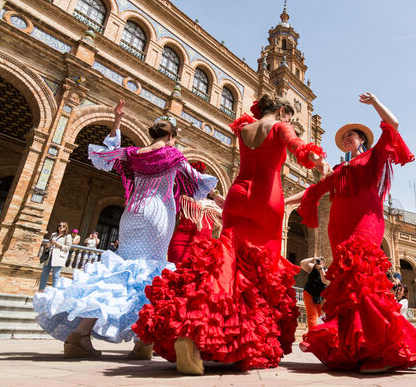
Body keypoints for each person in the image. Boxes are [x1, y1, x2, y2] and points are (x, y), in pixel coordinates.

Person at [132, 94, 330, 375]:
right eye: (289, 117)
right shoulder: (280, 127)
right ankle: (244, 340)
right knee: (262, 270)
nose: (290, 122)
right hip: (266, 199)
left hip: (238, 194)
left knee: (225, 261)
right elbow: (299, 146)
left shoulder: (244, 128)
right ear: (283, 111)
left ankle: (191, 331)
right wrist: (316, 159)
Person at [33, 99, 217, 359]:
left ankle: (81, 334)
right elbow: (195, 180)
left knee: (120, 271)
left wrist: (117, 120)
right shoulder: (173, 154)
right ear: (171, 136)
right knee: (151, 274)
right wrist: (219, 199)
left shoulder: (133, 154)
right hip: (157, 214)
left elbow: (106, 155)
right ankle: (143, 342)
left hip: (131, 214)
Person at [287, 92, 416, 373]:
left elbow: (394, 125)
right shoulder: (340, 168)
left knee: (363, 277)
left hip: (366, 222)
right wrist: (282, 201)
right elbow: (313, 191)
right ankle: (358, 347)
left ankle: (380, 349)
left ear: (362, 140)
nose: (346, 140)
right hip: (339, 227)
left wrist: (376, 102)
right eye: (344, 138)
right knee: (348, 287)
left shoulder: (373, 157)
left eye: (351, 136)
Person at [167, 161, 226, 264]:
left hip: (204, 250)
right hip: (180, 243)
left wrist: (215, 194)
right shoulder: (182, 199)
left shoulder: (215, 205)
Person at [37, 221, 72, 292]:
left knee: (55, 275)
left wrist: (57, 244)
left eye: (63, 226)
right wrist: (47, 245)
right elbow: (50, 243)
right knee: (44, 273)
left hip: (58, 257)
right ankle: (41, 290)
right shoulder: (54, 235)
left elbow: (67, 247)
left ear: (66, 228)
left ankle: (53, 292)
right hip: (49, 256)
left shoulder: (67, 236)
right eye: (60, 225)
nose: (61, 227)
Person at [300, 257, 330, 329]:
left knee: (322, 317)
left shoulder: (326, 270)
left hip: (321, 296)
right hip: (309, 292)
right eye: (318, 261)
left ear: (324, 263)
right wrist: (313, 259)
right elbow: (302, 263)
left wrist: (320, 269)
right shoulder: (312, 267)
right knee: (312, 316)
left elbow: (325, 281)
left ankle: (321, 333)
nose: (319, 263)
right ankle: (312, 335)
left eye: (321, 261)